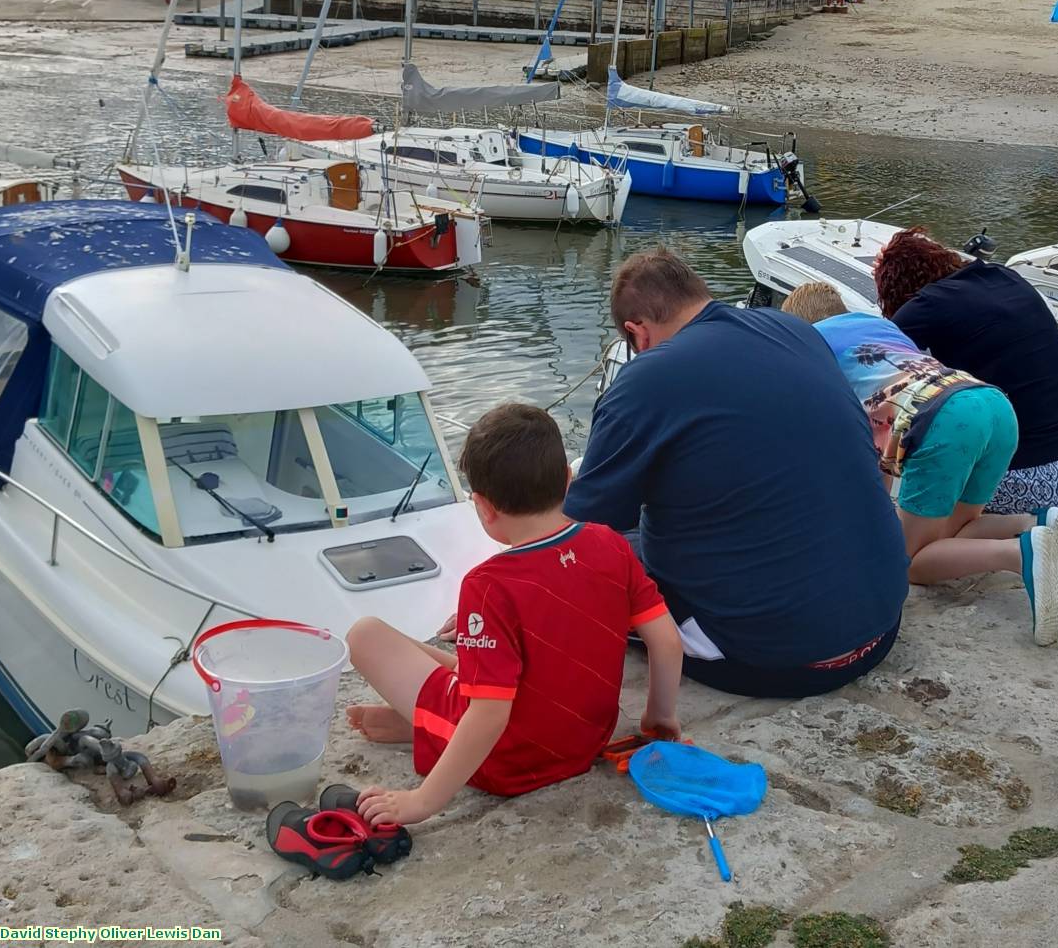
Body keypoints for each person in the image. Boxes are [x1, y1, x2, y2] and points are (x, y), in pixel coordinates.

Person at [566, 250, 908, 698]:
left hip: (770, 656)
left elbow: (577, 535)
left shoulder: (645, 378)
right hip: (879, 625)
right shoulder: (796, 331)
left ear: (637, 333)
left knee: (603, 559)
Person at [342, 404, 683, 828]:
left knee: (364, 634)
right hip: (582, 740)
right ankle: (420, 725)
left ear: (483, 507)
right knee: (479, 666)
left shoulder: (489, 585)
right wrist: (659, 716)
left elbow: (489, 713)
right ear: (567, 479)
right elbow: (666, 641)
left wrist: (422, 802)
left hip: (507, 762)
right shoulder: (611, 546)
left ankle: (429, 728)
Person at [781, 283, 1058, 646]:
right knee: (956, 528)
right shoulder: (881, 326)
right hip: (988, 401)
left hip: (940, 421)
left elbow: (866, 459)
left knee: (910, 562)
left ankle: (1020, 552)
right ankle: (1037, 521)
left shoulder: (812, 349)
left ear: (798, 325)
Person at [874, 229, 1058, 512]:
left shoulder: (928, 305)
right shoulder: (1006, 276)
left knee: (914, 520)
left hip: (1027, 482)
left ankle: (1030, 529)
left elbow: (873, 355)